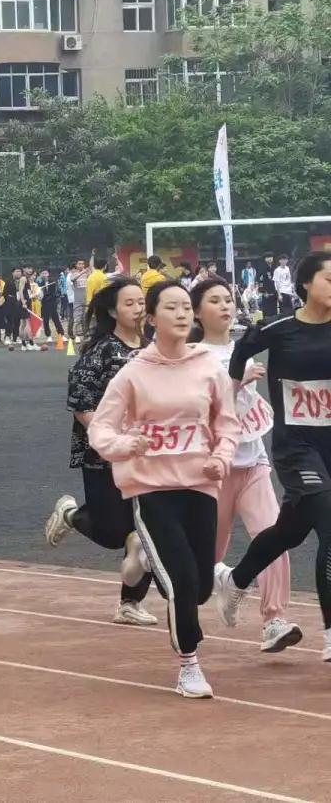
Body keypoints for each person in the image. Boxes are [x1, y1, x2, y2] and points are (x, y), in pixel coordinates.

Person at [88, 281, 239, 698]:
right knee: (184, 582)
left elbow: (228, 424)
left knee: (202, 586)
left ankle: (146, 555)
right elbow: (101, 428)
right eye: (171, 307)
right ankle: (189, 665)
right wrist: (124, 445)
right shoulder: (133, 373)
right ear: (151, 318)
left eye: (187, 307)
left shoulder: (208, 367)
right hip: (152, 487)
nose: (182, 314)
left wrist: (221, 457)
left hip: (200, 484)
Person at [215, 253, 331, 662]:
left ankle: (236, 579)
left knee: (289, 532)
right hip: (296, 448)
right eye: (329, 278)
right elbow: (240, 352)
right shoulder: (280, 330)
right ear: (305, 284)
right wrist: (230, 396)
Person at [189, 276, 301, 652]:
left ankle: (274, 620)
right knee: (206, 557)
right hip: (213, 469)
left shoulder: (245, 349)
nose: (225, 306)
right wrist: (237, 381)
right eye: (215, 300)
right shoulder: (194, 356)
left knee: (274, 538)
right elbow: (203, 409)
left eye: (228, 299)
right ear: (197, 312)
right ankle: (217, 585)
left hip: (253, 461)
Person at [45, 277, 157, 625]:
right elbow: (80, 399)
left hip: (147, 453)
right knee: (112, 532)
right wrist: (108, 438)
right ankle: (72, 516)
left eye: (141, 302)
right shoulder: (103, 351)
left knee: (147, 532)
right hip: (103, 454)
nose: (138, 309)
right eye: (129, 303)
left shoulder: (154, 347)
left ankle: (130, 603)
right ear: (112, 311)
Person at [39, 269, 64, 342]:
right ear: (41, 275)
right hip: (44, 303)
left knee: (55, 319)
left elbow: (56, 292)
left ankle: (61, 334)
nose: (44, 275)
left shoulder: (53, 282)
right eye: (43, 273)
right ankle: (48, 335)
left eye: (45, 273)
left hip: (52, 302)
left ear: (48, 274)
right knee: (45, 320)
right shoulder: (40, 283)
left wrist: (49, 296)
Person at [70, 260, 91, 342]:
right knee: (77, 318)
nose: (81, 265)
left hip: (86, 299)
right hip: (78, 300)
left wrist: (88, 271)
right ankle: (77, 335)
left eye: (82, 264)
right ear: (76, 265)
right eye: (79, 264)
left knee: (85, 318)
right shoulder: (74, 274)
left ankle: (86, 335)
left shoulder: (87, 274)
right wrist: (83, 272)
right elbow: (72, 279)